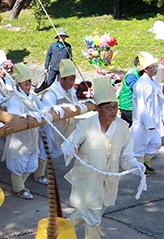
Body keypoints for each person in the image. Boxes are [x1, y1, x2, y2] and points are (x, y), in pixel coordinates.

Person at [62, 76, 145, 239]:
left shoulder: (122, 127)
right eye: (108, 107)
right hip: (86, 182)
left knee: (87, 214)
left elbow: (127, 155)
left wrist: (135, 164)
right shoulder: (85, 126)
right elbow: (69, 145)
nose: (113, 111)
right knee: (93, 220)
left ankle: (59, 231)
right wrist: (69, 149)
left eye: (115, 107)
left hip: (108, 183)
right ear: (98, 109)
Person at [3, 63, 44, 200]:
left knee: (32, 164)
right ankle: (19, 188)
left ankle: (21, 183)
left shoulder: (32, 96)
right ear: (18, 84)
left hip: (32, 135)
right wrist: (28, 116)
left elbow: (43, 108)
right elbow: (14, 114)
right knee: (18, 163)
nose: (27, 85)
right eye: (24, 83)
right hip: (19, 136)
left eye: (29, 82)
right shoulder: (14, 98)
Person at [37, 59, 78, 184]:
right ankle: (39, 174)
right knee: (46, 147)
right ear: (62, 79)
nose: (72, 83)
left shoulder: (71, 90)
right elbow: (47, 109)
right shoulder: (51, 93)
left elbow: (75, 104)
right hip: (51, 126)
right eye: (69, 79)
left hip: (64, 125)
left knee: (59, 148)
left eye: (73, 79)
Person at [131, 51, 164, 175]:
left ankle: (144, 161)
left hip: (154, 120)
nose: (155, 69)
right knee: (140, 145)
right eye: (152, 67)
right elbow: (142, 106)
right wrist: (148, 122)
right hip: (143, 122)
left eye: (155, 66)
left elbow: (160, 101)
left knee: (156, 143)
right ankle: (139, 168)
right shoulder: (142, 84)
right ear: (145, 69)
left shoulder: (153, 83)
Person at [118, 56, 141, 126]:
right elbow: (137, 89)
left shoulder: (138, 73)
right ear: (139, 65)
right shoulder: (132, 74)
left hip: (130, 105)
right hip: (128, 105)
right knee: (140, 124)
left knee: (123, 127)